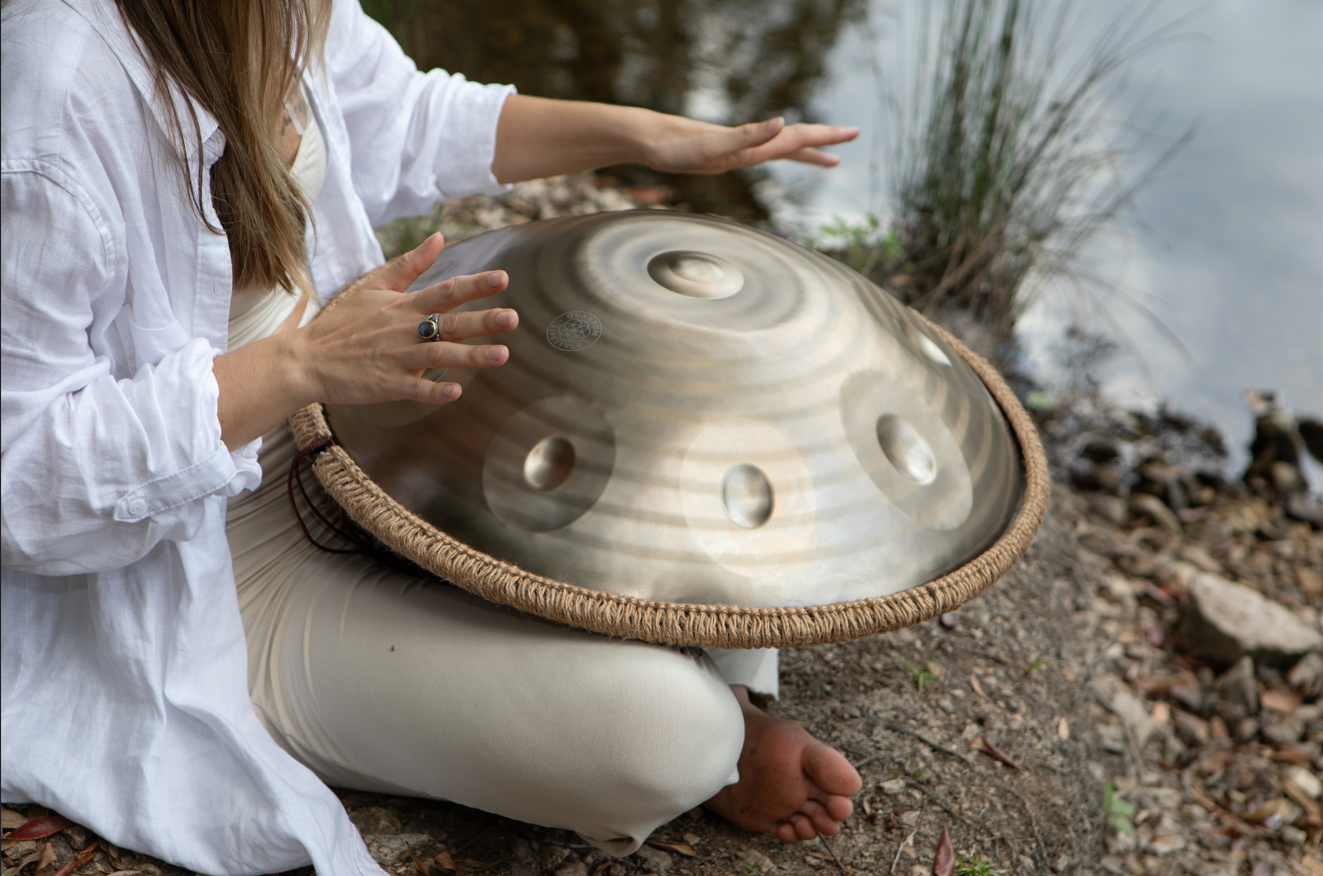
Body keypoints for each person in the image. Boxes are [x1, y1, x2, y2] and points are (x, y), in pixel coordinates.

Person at [0, 0, 863, 872]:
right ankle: (720, 734)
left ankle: (732, 697)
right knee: (669, 738)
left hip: (361, 437)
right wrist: (299, 367)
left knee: (714, 411)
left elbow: (407, 117)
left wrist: (646, 136)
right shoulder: (56, 86)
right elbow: (20, 480)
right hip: (205, 562)